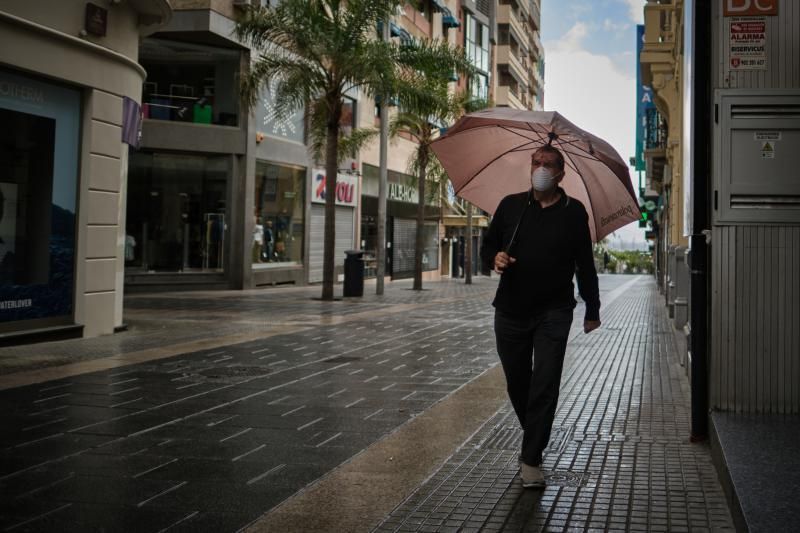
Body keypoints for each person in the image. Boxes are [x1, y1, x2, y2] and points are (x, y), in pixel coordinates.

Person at [480, 144, 601, 489]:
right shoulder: (511, 206)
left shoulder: (574, 212)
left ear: (561, 173)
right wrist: (495, 259)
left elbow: (585, 265)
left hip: (554, 312)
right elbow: (487, 247)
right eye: (537, 162)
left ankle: (531, 458)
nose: (541, 169)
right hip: (510, 311)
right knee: (518, 384)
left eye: (548, 164)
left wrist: (592, 309)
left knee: (545, 384)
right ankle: (535, 434)